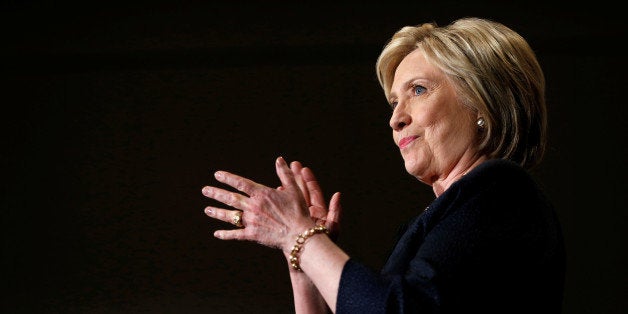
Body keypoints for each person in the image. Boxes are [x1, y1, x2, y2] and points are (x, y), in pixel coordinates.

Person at [201, 17, 565, 313]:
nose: (395, 119)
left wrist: (299, 237)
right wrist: (303, 261)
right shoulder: (439, 220)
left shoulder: (501, 192)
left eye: (418, 90)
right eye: (393, 102)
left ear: (481, 102)